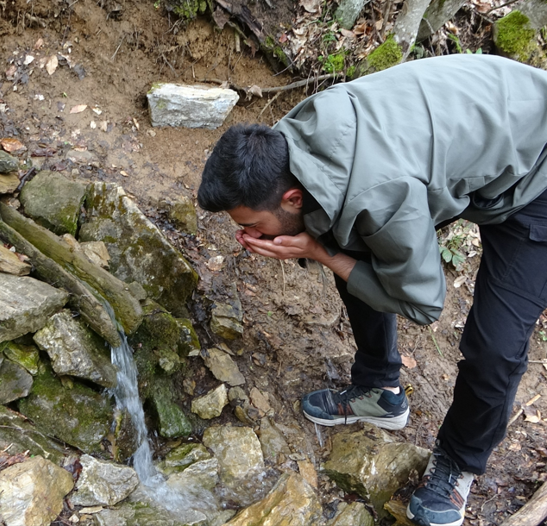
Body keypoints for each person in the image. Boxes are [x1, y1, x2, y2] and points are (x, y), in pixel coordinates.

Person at [197, 53, 547, 526]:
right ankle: (380, 390)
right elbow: (333, 215)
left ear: (291, 198)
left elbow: (422, 303)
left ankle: (459, 462)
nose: (248, 236)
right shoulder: (284, 142)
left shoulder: (379, 193)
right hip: (476, 133)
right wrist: (322, 245)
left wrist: (319, 252)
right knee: (338, 233)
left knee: (495, 347)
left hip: (537, 169)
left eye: (252, 225)